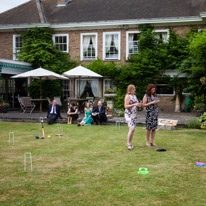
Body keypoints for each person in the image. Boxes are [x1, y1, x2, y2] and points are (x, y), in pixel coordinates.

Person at [124, 84, 142, 150]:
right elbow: (126, 106)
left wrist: (139, 105)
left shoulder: (135, 96)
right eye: (134, 89)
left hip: (134, 115)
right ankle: (128, 144)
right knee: (131, 129)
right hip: (128, 114)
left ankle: (130, 143)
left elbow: (136, 104)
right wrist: (134, 104)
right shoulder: (127, 96)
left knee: (133, 130)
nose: (135, 90)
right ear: (130, 90)